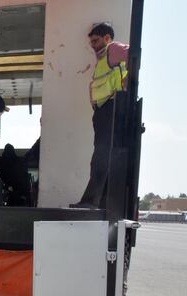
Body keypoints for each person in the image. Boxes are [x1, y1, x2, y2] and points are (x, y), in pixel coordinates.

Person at [71, 22, 129, 209]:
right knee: (106, 157)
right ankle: (102, 202)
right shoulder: (104, 59)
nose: (93, 45)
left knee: (101, 156)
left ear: (107, 38)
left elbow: (133, 55)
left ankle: (90, 201)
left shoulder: (113, 49)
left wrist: (127, 82)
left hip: (111, 109)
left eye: (95, 41)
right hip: (105, 110)